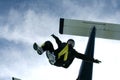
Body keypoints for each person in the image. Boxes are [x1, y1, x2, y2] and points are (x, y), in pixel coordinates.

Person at [33, 34, 101, 68]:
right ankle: (41, 50)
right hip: (53, 55)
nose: (70, 43)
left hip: (61, 61)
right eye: (70, 42)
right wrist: (55, 37)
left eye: (72, 43)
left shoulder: (73, 52)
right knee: (48, 43)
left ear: (73, 45)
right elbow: (58, 42)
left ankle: (54, 58)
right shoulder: (63, 44)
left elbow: (82, 57)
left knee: (66, 47)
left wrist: (93, 60)